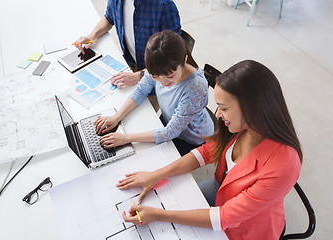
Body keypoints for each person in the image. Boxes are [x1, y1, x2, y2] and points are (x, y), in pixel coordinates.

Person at [117, 60, 302, 240]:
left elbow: (226, 217)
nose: (218, 115)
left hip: (244, 230)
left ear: (252, 108)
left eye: (224, 108)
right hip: (222, 193)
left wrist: (160, 215)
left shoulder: (284, 164)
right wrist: (156, 175)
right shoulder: (242, 127)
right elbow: (206, 152)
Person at [94, 30, 214, 156]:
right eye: (155, 76)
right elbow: (141, 90)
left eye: (169, 76)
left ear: (184, 60)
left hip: (192, 139)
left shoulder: (196, 88)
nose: (163, 82)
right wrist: (116, 117)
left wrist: (126, 138)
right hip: (170, 120)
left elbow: (171, 132)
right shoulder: (159, 66)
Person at [75, 0, 181, 88]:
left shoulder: (164, 6)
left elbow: (173, 57)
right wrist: (91, 36)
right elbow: (109, 17)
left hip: (159, 81)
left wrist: (138, 76)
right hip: (131, 65)